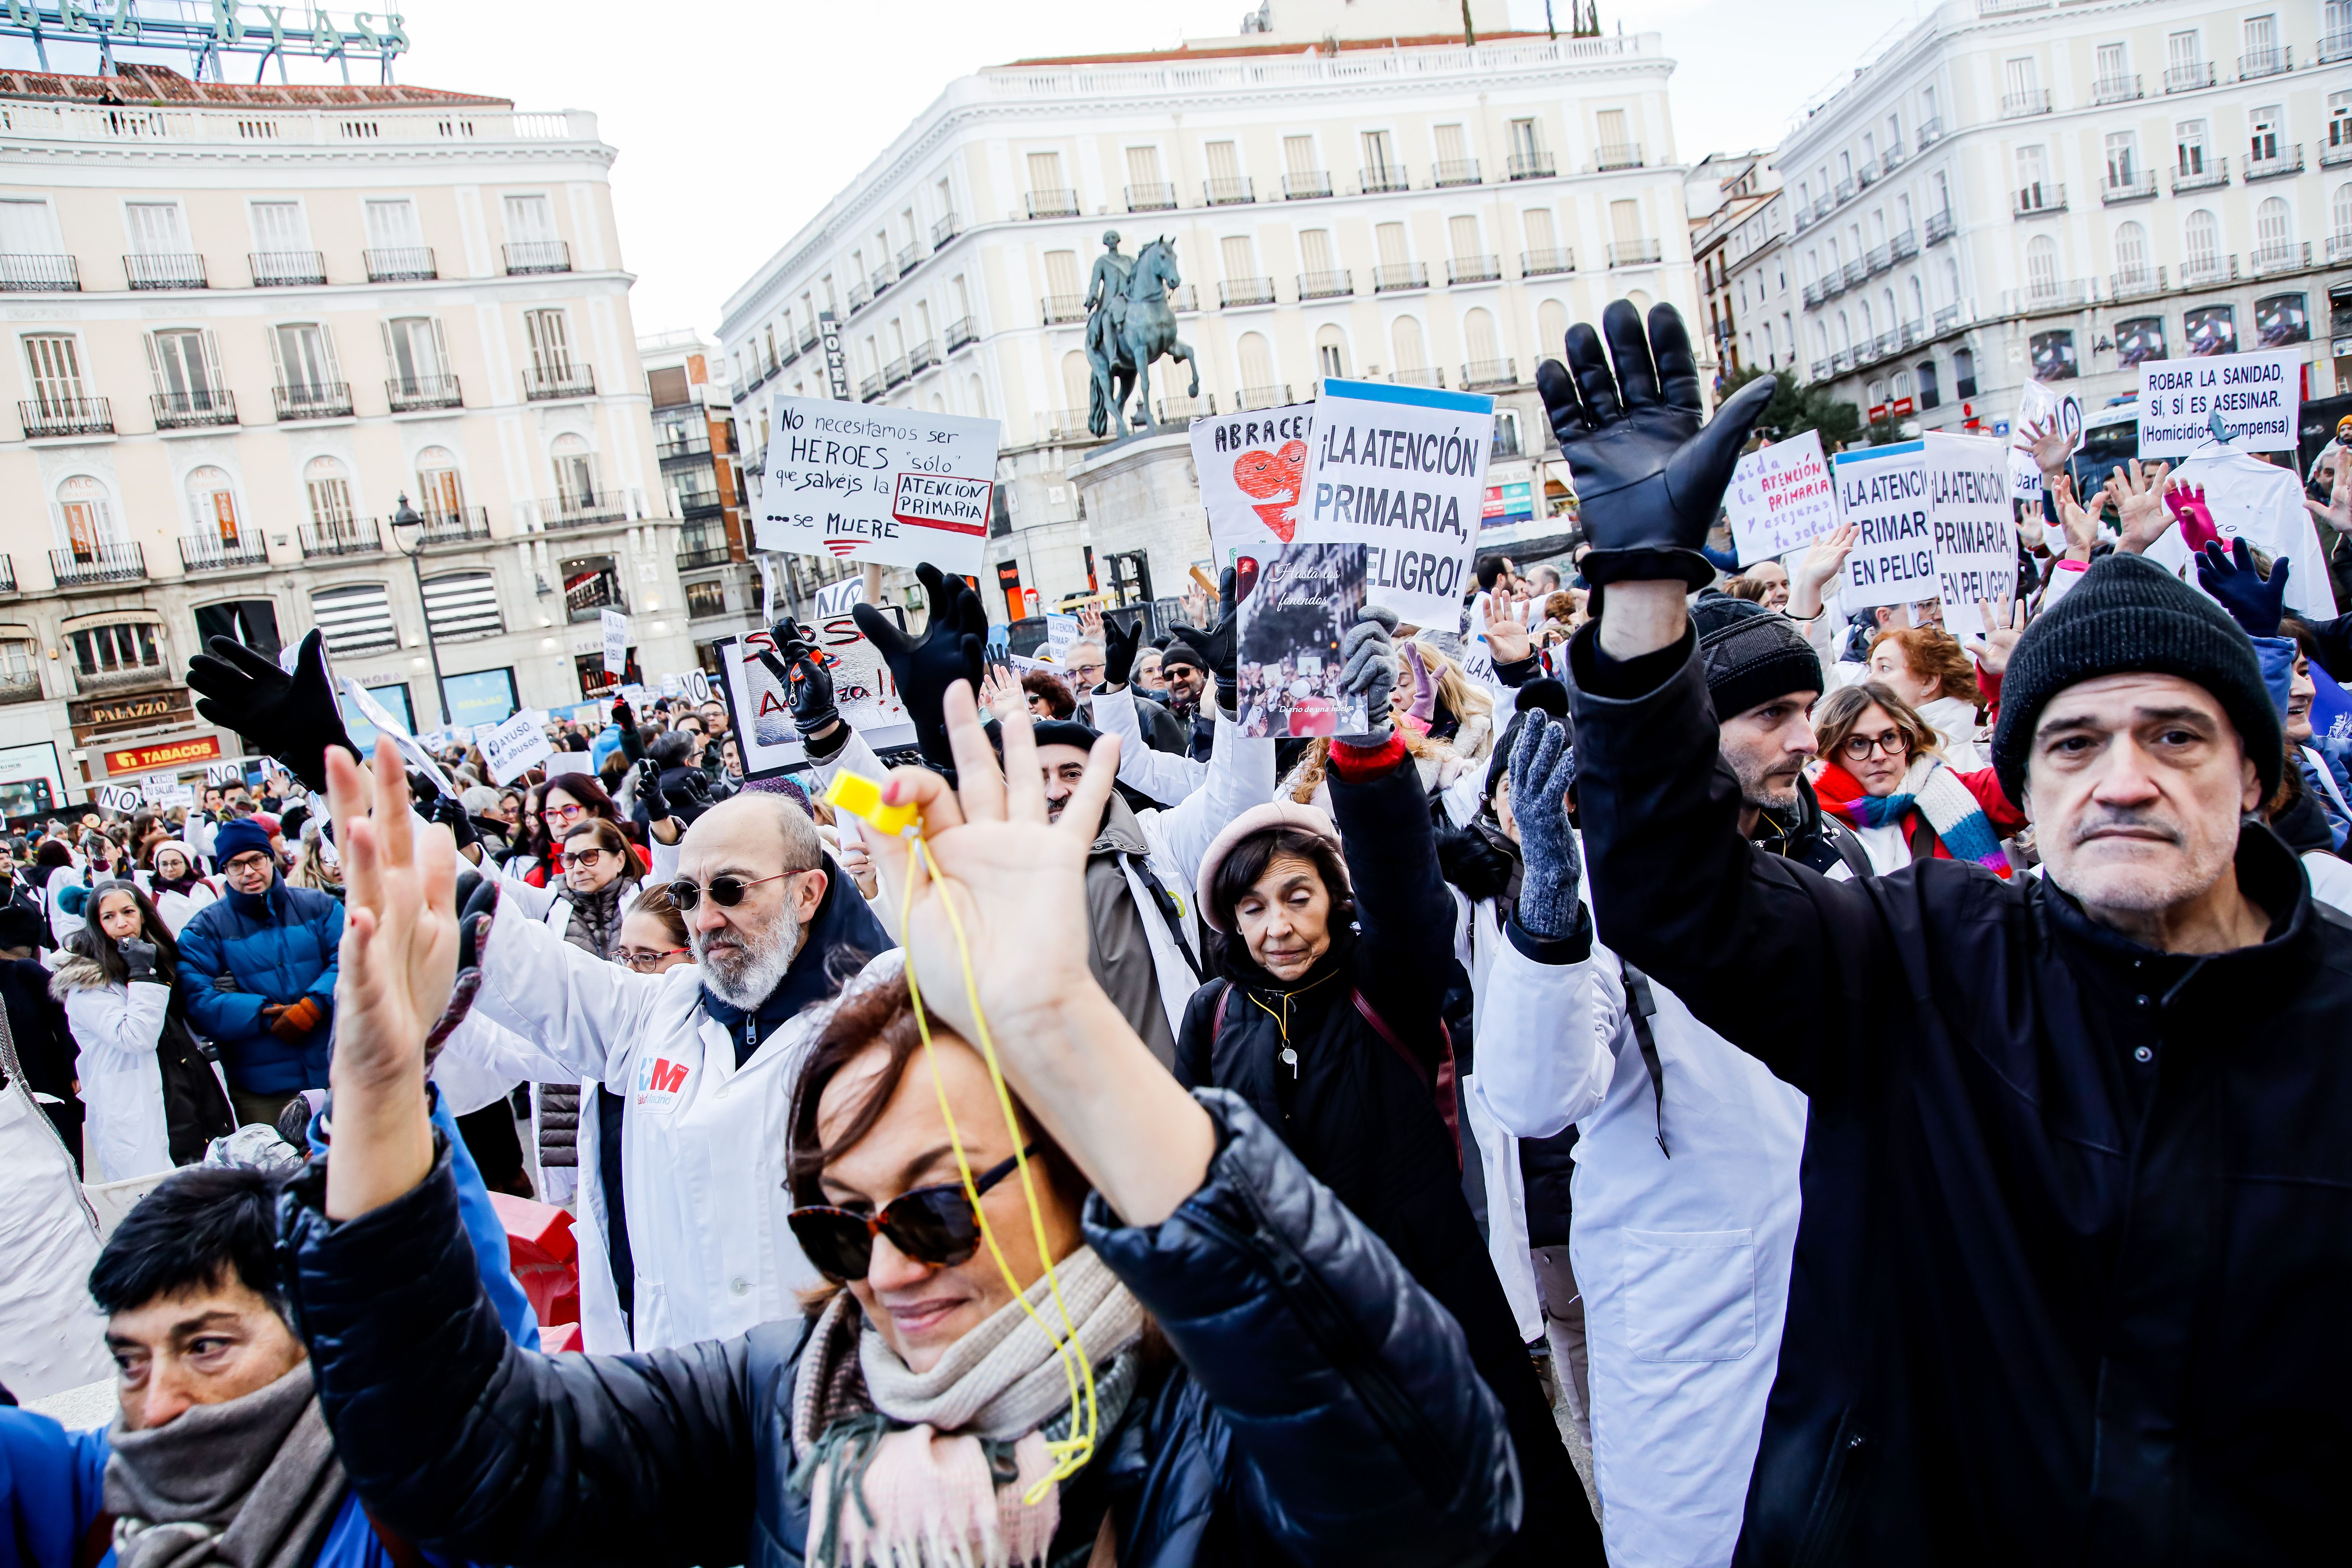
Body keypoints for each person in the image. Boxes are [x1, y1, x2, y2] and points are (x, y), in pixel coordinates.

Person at [273, 704, 1521, 1568]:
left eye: (935, 1206)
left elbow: (1432, 1493)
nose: (883, 1270)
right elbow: (465, 1459)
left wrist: (1057, 1025)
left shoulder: (1208, 1411)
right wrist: (380, 1080)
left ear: (1070, 1174)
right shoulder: (785, 1397)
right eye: (833, 1216)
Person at [1542, 296, 2352, 1559]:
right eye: (2073, 744)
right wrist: (1643, 593)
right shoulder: (1927, 964)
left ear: (2253, 776)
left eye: (2173, 735)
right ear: (2017, 791)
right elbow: (1668, 888)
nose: (2122, 778)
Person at [1177, 606, 1604, 1568]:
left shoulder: (1387, 984)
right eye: (1253, 907)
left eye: (1298, 896)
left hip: (1434, 1317)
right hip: (1299, 1338)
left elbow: (1407, 884)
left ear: (1333, 897)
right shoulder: (1209, 1019)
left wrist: (1367, 756)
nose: (1279, 926)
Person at [0, 1152, 536, 1568]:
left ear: (316, 1331)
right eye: (131, 1361)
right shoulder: (97, 1487)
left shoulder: (415, 1501)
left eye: (206, 1348)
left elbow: (467, 1338)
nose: (157, 1407)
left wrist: (383, 1086)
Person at [786, 608, 1270, 1064]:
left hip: (1183, 1102)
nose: (1056, 790)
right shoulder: (995, 863)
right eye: (1038, 777)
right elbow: (890, 808)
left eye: (1073, 773)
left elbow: (1235, 804)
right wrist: (827, 734)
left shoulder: (1159, 841)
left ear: (1103, 778)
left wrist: (1233, 693)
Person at [51, 881, 235, 1182]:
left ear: (143, 915)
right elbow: (137, 1036)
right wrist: (142, 975)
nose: (121, 924)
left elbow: (186, 1027)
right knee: (163, 1197)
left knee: (211, 1182)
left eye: (128, 912)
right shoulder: (88, 984)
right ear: (96, 925)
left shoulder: (156, 959)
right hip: (139, 1107)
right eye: (108, 917)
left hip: (188, 1087)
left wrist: (214, 995)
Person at [176, 818, 342, 1130]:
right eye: (236, 865)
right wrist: (264, 1015)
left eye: (256, 860)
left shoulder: (319, 907)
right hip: (262, 1087)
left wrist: (315, 1005)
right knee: (280, 1173)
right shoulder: (205, 929)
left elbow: (350, 960)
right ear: (224, 871)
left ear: (270, 859)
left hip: (337, 1068)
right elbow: (197, 999)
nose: (249, 872)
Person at [1808, 682, 2026, 877]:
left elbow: (2029, 777)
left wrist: (1999, 683)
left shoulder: (1954, 791)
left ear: (1909, 740)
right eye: (1858, 743)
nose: (1879, 756)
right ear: (1832, 752)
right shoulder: (1809, 820)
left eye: (1890, 738)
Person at [1864, 624, 1988, 769]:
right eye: (1871, 670)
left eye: (1885, 668)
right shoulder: (1877, 747)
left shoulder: (1987, 751)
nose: (1869, 681)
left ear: (1929, 682)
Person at [138, 839, 220, 936]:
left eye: (175, 863)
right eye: (164, 864)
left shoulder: (209, 885)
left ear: (187, 865)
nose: (170, 869)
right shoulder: (151, 897)